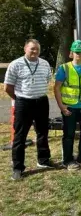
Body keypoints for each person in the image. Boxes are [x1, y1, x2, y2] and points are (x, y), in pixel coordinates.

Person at [4, 39, 52, 180]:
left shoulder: (44, 63)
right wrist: (19, 98)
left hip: (42, 101)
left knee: (43, 132)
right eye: (32, 49)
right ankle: (18, 168)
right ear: (25, 48)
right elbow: (7, 87)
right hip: (23, 103)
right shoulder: (16, 64)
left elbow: (47, 80)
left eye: (37, 49)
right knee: (20, 136)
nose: (35, 51)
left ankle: (43, 160)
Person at [54, 40, 81, 170]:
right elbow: (56, 88)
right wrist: (61, 106)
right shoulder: (64, 68)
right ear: (71, 53)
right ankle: (68, 160)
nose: (79, 55)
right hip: (70, 107)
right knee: (69, 135)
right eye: (76, 52)